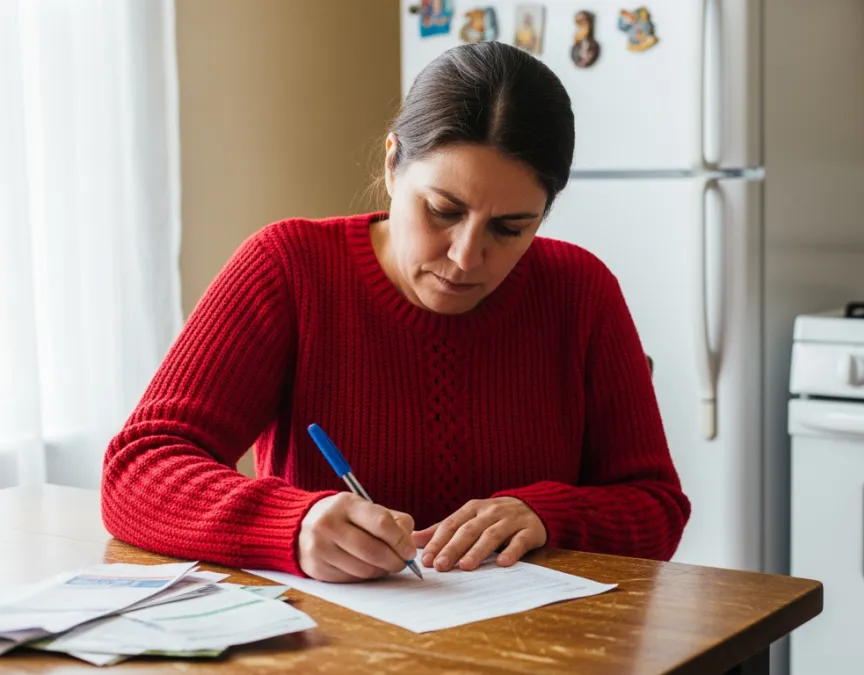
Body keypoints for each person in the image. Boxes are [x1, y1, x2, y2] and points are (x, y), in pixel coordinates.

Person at [100, 42, 691, 583]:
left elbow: (656, 505)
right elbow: (138, 469)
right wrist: (294, 524)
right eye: (441, 210)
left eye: (511, 229)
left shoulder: (579, 290)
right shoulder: (288, 269)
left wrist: (548, 513)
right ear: (391, 165)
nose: (465, 257)